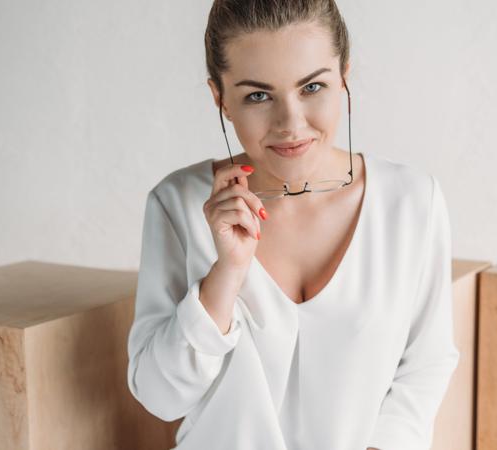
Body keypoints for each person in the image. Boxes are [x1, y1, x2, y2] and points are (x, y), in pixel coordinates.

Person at [127, 1, 460, 449]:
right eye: (258, 95)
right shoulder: (178, 204)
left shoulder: (412, 202)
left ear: (343, 75)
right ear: (220, 98)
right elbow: (159, 396)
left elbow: (426, 363)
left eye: (312, 87)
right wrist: (225, 273)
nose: (291, 124)